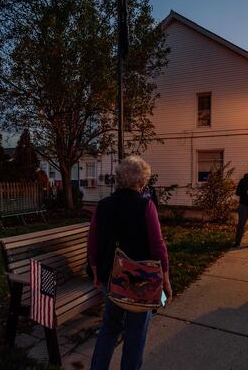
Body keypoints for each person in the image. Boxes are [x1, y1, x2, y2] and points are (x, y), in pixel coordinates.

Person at [87, 156, 172, 370]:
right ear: (142, 182)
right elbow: (158, 245)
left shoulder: (103, 205)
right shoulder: (146, 206)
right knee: (135, 335)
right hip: (140, 281)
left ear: (119, 179)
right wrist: (166, 280)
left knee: (109, 329)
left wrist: (96, 273)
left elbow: (93, 242)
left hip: (110, 276)